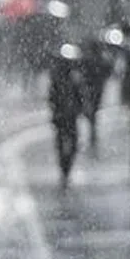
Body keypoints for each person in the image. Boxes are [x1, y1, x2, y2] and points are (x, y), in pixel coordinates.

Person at [49, 48, 84, 187]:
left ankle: (65, 167)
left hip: (69, 116)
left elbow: (79, 96)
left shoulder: (74, 78)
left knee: (71, 143)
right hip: (63, 117)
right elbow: (52, 98)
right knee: (65, 142)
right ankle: (64, 168)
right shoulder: (58, 78)